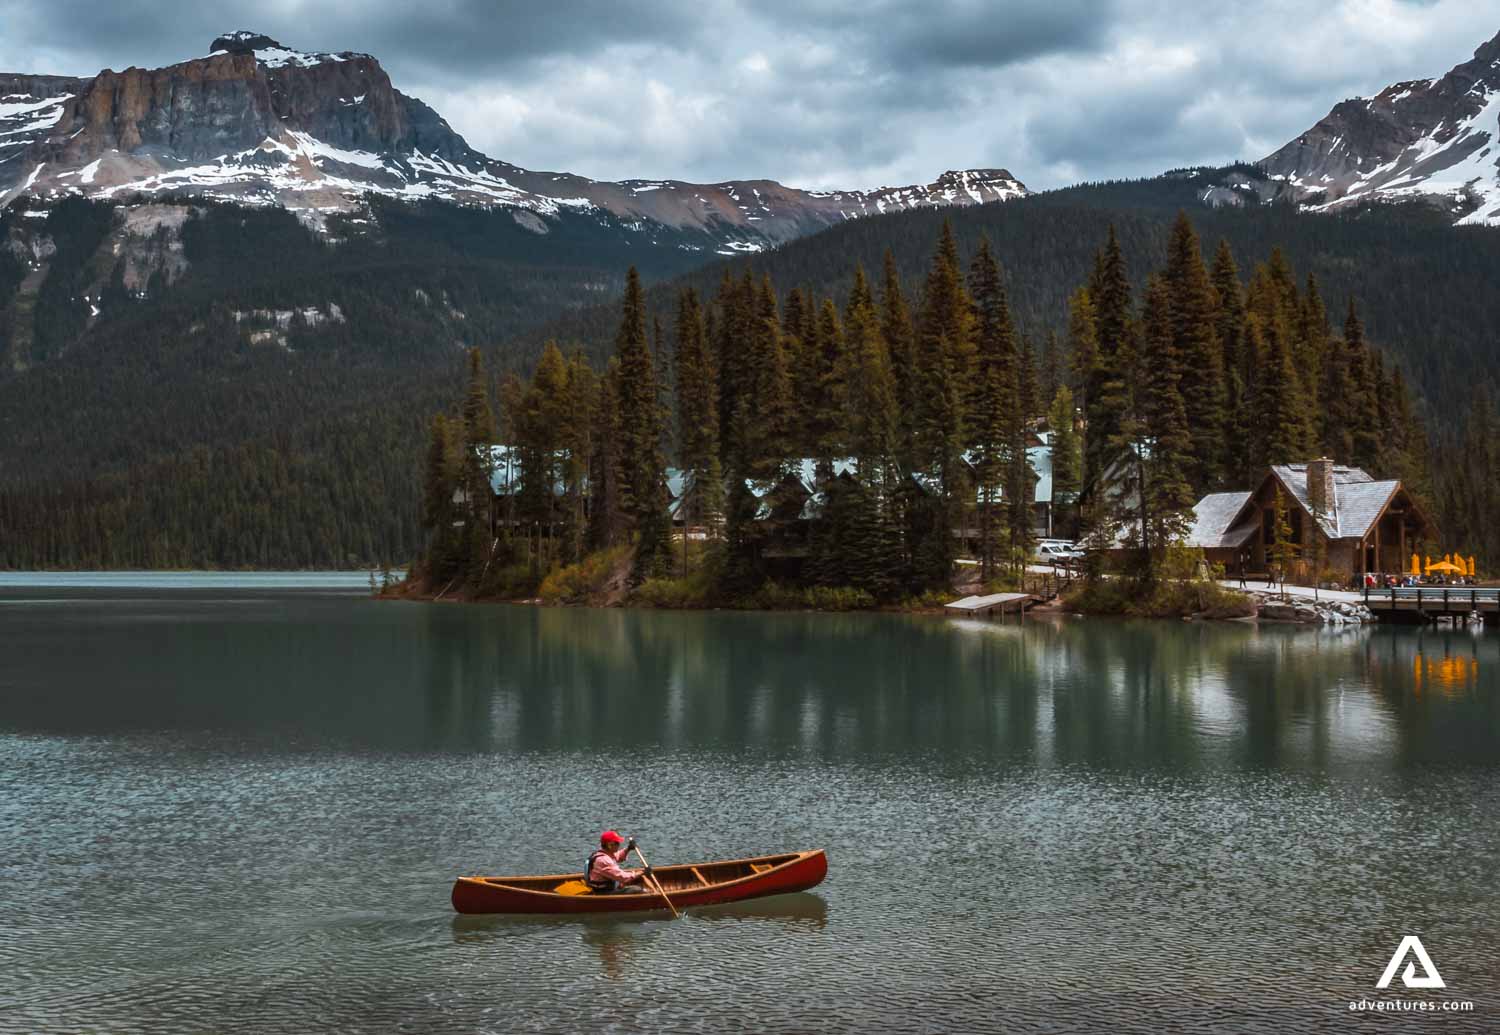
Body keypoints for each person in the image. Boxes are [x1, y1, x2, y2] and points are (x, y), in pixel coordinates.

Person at [584, 830, 652, 894]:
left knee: (635, 876)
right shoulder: (603, 860)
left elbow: (618, 856)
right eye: (617, 843)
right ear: (609, 845)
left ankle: (647, 890)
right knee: (636, 889)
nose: (619, 845)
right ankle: (649, 893)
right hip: (604, 892)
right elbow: (623, 878)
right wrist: (642, 872)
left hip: (608, 886)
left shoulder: (604, 854)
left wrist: (628, 849)